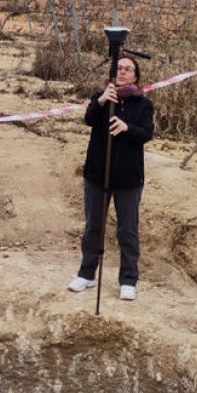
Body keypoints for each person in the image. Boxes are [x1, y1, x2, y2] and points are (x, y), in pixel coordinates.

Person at [67, 56, 155, 301]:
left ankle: (128, 279)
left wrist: (127, 128)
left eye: (128, 69)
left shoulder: (143, 104)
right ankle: (86, 274)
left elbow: (146, 133)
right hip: (97, 174)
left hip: (129, 178)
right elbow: (89, 119)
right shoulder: (100, 98)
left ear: (136, 75)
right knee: (93, 226)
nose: (123, 72)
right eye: (119, 68)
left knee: (127, 230)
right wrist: (102, 101)